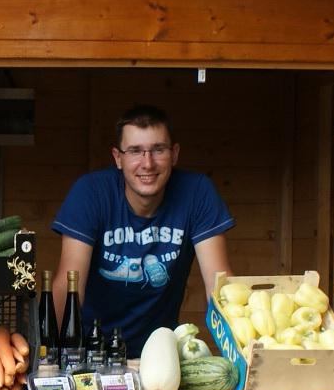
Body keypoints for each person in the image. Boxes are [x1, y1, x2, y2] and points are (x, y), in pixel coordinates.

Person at [51, 103, 234, 350]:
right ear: (118, 158)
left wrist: (239, 359)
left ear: (175, 154)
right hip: (90, 349)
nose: (148, 164)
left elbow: (220, 288)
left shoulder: (197, 192)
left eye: (158, 150)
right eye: (135, 151)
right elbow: (70, 284)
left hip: (162, 351)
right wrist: (52, 356)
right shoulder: (91, 193)